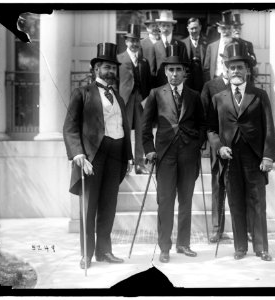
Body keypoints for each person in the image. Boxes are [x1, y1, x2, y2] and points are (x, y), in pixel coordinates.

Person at [63, 43, 133, 269]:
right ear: (95, 69)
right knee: (89, 207)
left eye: (113, 67)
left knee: (108, 206)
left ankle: (105, 251)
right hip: (92, 157)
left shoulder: (119, 98)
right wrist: (78, 154)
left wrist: (129, 156)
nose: (110, 70)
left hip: (116, 155)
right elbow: (70, 127)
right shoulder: (82, 93)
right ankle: (87, 254)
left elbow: (123, 125)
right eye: (105, 66)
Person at [207, 42, 275, 261]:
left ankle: (261, 247)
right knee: (235, 201)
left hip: (254, 158)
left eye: (240, 67)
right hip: (230, 158)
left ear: (248, 70)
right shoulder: (218, 98)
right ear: (226, 71)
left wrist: (267, 156)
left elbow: (269, 128)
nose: (236, 71)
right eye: (232, 67)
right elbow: (210, 129)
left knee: (257, 202)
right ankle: (240, 247)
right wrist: (219, 147)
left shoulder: (259, 95)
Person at [142, 44, 206, 263]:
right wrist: (149, 150)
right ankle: (164, 247)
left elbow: (202, 125)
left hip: (188, 154)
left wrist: (196, 143)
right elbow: (144, 128)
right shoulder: (155, 94)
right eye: (171, 70)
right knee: (166, 201)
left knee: (186, 200)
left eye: (179, 69)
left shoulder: (194, 95)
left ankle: (183, 244)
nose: (175, 74)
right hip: (165, 155)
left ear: (185, 72)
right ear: (165, 71)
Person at [200, 60, 230, 243]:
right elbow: (205, 116)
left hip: (240, 144)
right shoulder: (211, 86)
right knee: (218, 186)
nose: (231, 69)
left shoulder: (244, 87)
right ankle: (217, 229)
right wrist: (207, 144)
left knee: (241, 187)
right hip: (218, 142)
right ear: (222, 65)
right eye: (228, 64)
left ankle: (248, 229)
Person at [118, 24, 152, 174]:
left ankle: (139, 163)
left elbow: (148, 83)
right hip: (125, 99)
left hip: (140, 99)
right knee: (123, 131)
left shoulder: (144, 62)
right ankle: (125, 163)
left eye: (137, 41)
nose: (134, 44)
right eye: (131, 41)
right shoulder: (119, 59)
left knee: (141, 130)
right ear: (126, 42)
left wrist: (147, 99)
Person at [153, 10, 189, 87]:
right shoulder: (154, 46)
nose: (166, 28)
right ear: (159, 27)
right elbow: (152, 71)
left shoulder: (181, 45)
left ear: (172, 27)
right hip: (160, 87)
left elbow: (186, 69)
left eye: (168, 25)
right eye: (163, 25)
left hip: (178, 86)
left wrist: (182, 85)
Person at [203, 10, 233, 82]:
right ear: (218, 29)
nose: (227, 31)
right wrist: (209, 83)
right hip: (215, 80)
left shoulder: (237, 45)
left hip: (231, 81)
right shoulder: (211, 46)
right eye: (224, 28)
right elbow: (206, 68)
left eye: (229, 28)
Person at [181, 17, 207, 92]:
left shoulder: (207, 43)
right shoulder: (182, 43)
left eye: (196, 28)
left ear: (200, 27)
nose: (194, 31)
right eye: (192, 28)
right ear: (188, 29)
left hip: (203, 80)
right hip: (187, 81)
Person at [231, 12, 257, 85]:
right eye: (235, 28)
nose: (237, 30)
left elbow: (254, 62)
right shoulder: (226, 44)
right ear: (230, 28)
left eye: (239, 28)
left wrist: (247, 56)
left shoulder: (248, 44)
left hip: (246, 79)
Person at [140, 10, 159, 86]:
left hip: (162, 79)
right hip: (147, 80)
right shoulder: (141, 43)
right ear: (147, 28)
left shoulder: (163, 42)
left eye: (157, 25)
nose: (155, 28)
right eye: (152, 26)